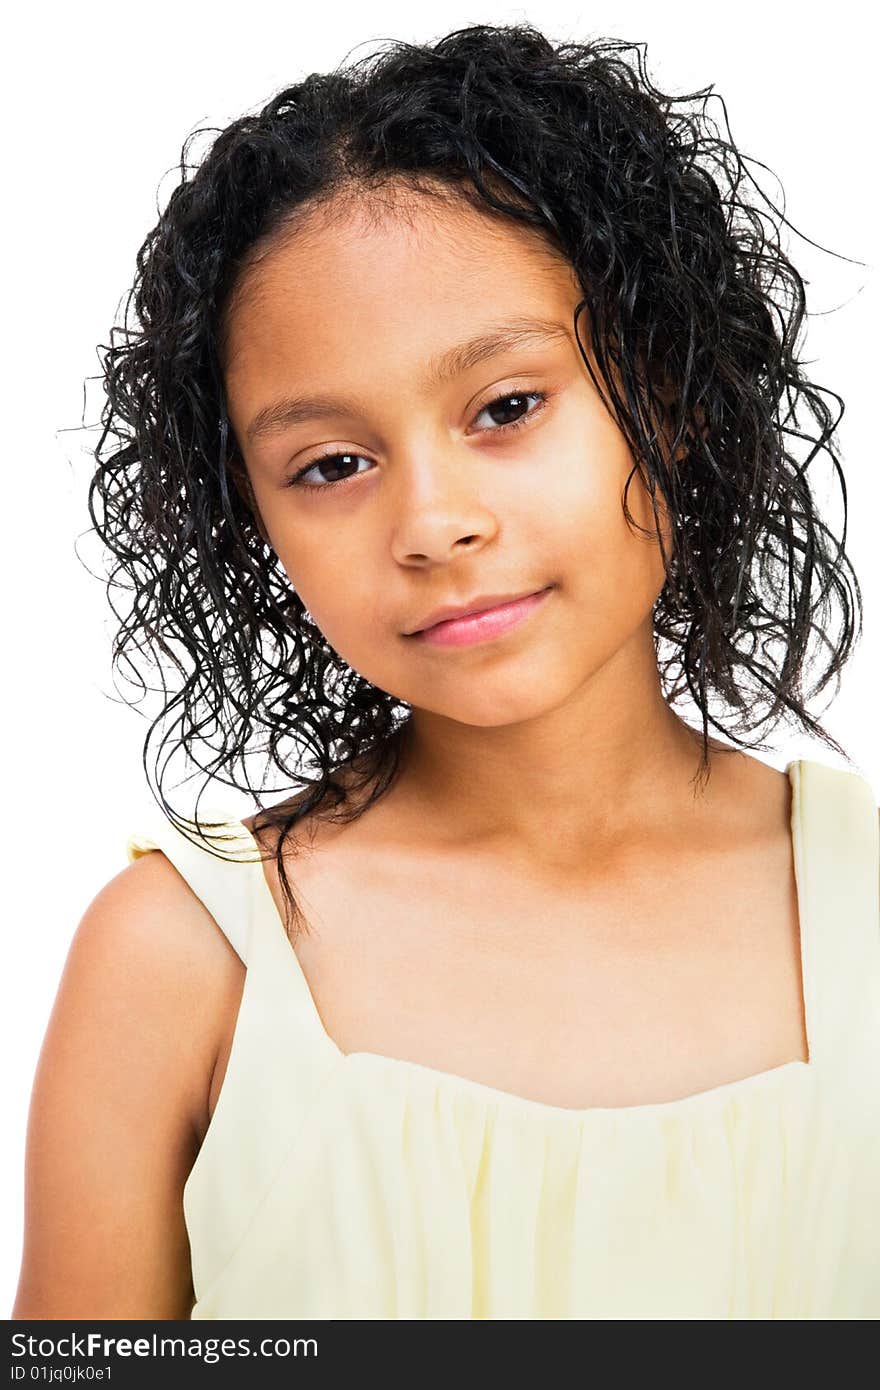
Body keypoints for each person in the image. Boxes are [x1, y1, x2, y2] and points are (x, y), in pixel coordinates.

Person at [13, 22, 878, 1321]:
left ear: (672, 388)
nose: (432, 522)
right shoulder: (181, 963)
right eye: (331, 464)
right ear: (256, 519)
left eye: (508, 407)